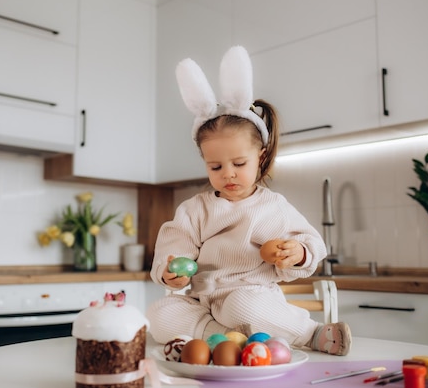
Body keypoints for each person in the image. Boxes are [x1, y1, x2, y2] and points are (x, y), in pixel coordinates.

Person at [147, 46, 351, 356]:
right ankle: (224, 340)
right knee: (159, 314)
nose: (227, 174)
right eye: (215, 167)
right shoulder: (195, 209)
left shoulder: (273, 207)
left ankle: (312, 334)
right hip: (203, 303)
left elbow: (312, 243)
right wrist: (169, 271)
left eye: (238, 164)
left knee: (242, 307)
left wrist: (297, 253)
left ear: (261, 156)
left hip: (251, 297)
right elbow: (174, 248)